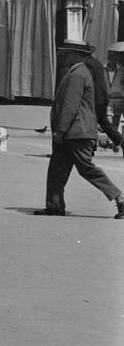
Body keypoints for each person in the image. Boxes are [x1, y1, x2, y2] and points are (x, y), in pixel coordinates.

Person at [35, 40, 124, 218]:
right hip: (75, 131)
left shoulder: (77, 74)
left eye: (66, 52)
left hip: (76, 132)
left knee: (86, 168)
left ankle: (120, 198)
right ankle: (54, 205)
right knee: (57, 168)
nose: (63, 55)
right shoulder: (78, 72)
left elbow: (70, 104)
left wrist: (60, 130)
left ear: (76, 54)